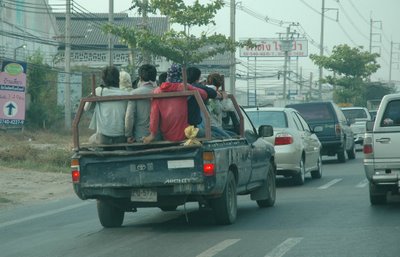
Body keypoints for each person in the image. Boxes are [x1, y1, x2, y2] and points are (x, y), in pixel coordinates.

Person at [143, 64, 208, 143]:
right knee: (210, 133)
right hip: (185, 133)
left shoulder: (157, 92)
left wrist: (152, 135)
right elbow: (204, 94)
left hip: (167, 135)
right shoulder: (183, 88)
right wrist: (189, 87)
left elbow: (154, 116)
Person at [85, 65, 129, 145]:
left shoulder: (98, 91)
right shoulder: (126, 94)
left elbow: (86, 108)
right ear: (118, 79)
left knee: (91, 139)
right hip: (121, 137)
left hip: (103, 138)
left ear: (103, 79)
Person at [125, 64, 158, 143]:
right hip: (158, 137)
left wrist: (128, 135)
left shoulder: (134, 93)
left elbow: (129, 117)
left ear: (140, 78)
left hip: (140, 137)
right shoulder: (160, 92)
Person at [205, 72, 235, 138]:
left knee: (232, 135)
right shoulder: (213, 95)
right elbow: (218, 110)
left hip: (209, 126)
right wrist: (224, 98)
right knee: (230, 138)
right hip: (213, 126)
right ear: (218, 85)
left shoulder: (205, 91)